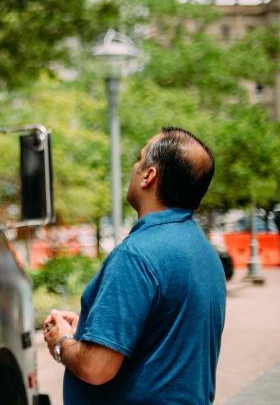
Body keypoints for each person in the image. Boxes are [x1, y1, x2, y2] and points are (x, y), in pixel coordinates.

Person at [43, 127, 225, 405]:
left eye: (139, 160)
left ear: (149, 176)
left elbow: (96, 367)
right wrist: (95, 329)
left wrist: (61, 342)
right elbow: (164, 337)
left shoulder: (137, 255)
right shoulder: (204, 253)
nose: (134, 167)